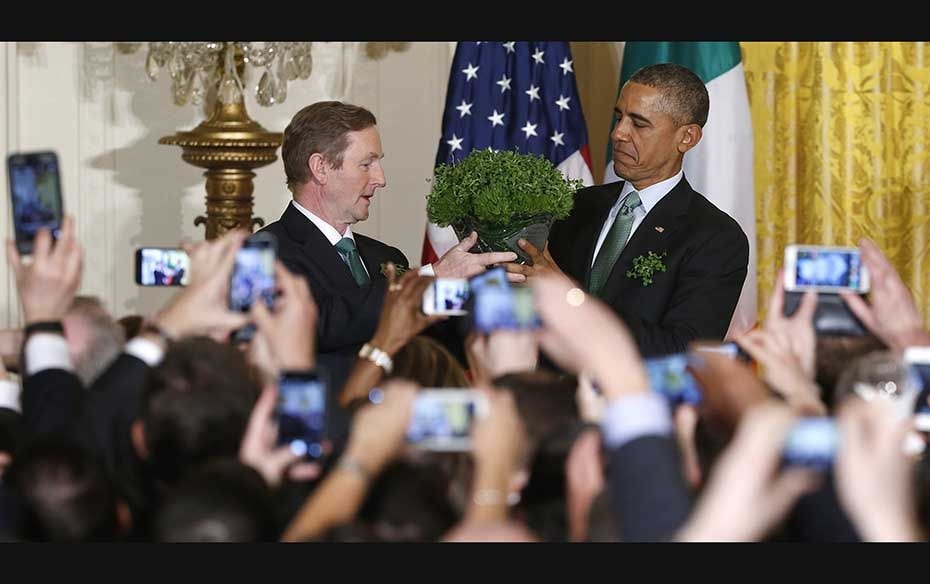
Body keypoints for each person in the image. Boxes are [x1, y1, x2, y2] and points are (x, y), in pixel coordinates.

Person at [258, 101, 516, 415]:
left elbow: (440, 342)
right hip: (327, 432)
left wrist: (480, 287)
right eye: (366, 164)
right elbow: (319, 325)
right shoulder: (265, 252)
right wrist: (430, 279)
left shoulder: (385, 256)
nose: (381, 179)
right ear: (320, 167)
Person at [505, 63, 749, 357]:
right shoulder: (574, 207)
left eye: (639, 124)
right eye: (618, 118)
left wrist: (572, 298)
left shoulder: (715, 237)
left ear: (687, 138)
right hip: (550, 396)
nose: (618, 133)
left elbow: (681, 351)